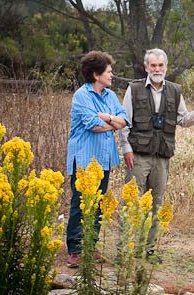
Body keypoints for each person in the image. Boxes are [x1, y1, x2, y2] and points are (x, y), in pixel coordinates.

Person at [119, 48, 194, 261]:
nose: (157, 69)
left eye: (161, 65)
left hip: (162, 157)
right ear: (146, 67)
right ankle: (124, 250)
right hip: (137, 156)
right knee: (132, 202)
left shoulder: (175, 91)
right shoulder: (134, 88)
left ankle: (149, 250)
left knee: (156, 203)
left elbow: (183, 120)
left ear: (165, 67)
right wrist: (126, 149)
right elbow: (123, 122)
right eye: (153, 65)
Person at [66, 51, 129, 268]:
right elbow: (92, 125)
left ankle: (90, 248)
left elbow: (124, 120)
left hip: (104, 158)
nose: (112, 75)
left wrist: (108, 117)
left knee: (98, 203)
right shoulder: (82, 96)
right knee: (81, 203)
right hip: (83, 157)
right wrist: (111, 122)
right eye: (109, 72)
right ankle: (75, 250)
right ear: (96, 74)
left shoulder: (110, 96)